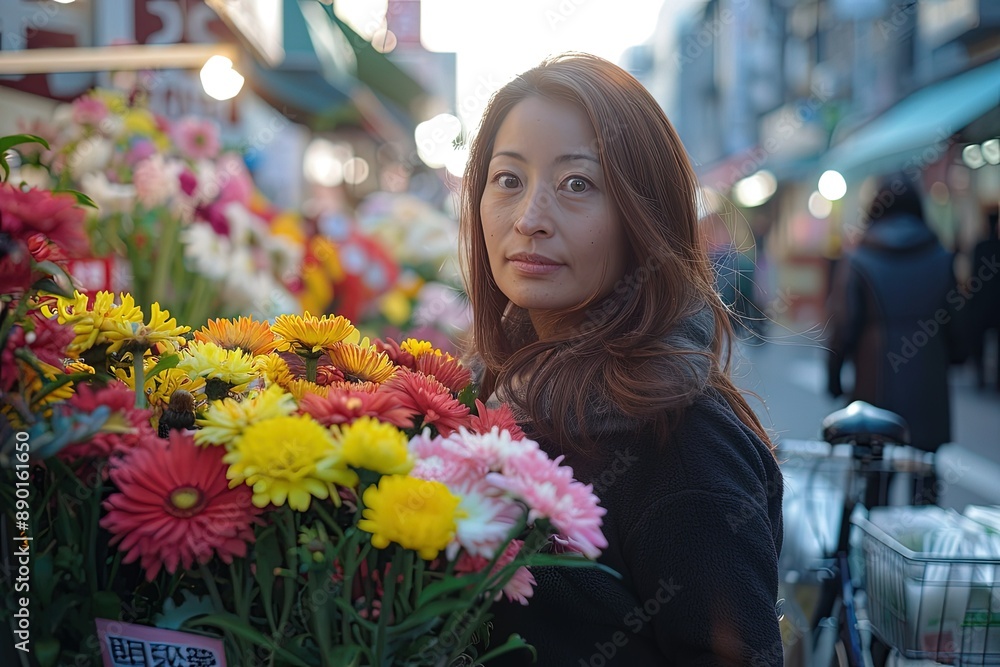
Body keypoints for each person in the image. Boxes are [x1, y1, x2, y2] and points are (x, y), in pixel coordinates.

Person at [459, 53, 784, 666]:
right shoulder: (497, 388)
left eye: (577, 184)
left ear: (644, 216)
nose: (529, 219)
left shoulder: (684, 442)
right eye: (508, 179)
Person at [826, 173, 965, 499]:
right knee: (925, 489)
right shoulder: (942, 258)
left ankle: (872, 548)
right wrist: (955, 357)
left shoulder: (858, 259)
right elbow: (959, 328)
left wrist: (834, 378)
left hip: (875, 390)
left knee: (873, 490)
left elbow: (843, 326)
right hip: (929, 391)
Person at [968, 210, 1000, 390]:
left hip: (982, 302)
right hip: (996, 303)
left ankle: (980, 375)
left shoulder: (980, 248)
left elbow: (973, 274)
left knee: (978, 341)